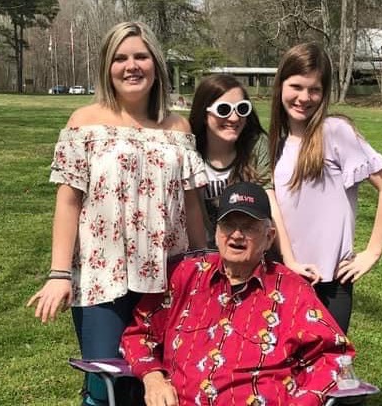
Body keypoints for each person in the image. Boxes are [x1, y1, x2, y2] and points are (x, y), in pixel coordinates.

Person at [26, 21, 207, 406]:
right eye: (120, 58)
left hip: (168, 277)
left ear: (156, 64)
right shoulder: (85, 122)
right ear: (107, 67)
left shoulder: (178, 127)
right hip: (101, 278)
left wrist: (203, 269)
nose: (131, 66)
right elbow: (68, 201)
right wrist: (59, 274)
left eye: (141, 56)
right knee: (106, 386)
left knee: (165, 383)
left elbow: (191, 204)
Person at [121, 182, 355, 406]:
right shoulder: (184, 277)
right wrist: (153, 378)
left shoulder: (293, 291)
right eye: (228, 225)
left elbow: (335, 354)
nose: (236, 235)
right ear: (216, 232)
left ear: (269, 237)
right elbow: (139, 334)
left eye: (249, 227)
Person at [268, 42, 382, 334]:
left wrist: (373, 252)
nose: (304, 98)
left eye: (314, 90)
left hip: (331, 283)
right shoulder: (276, 144)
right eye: (296, 86)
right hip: (285, 277)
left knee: (327, 362)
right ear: (280, 86)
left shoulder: (334, 131)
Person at [188, 74, 272, 248]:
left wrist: (287, 257)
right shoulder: (189, 152)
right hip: (202, 249)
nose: (234, 118)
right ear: (204, 114)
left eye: (242, 108)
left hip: (246, 248)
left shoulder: (256, 147)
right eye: (224, 109)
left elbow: (269, 200)